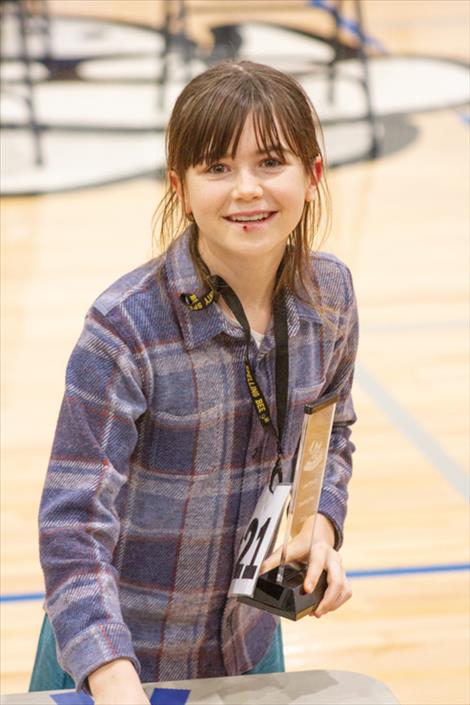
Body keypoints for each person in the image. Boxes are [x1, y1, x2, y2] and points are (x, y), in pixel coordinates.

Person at [30, 60, 358, 705]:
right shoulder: (123, 327)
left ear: (313, 176)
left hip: (250, 641)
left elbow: (333, 430)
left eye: (270, 162)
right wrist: (111, 676)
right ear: (180, 188)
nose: (246, 190)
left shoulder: (333, 296)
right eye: (216, 168)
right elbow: (72, 526)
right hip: (113, 658)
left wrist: (319, 523)